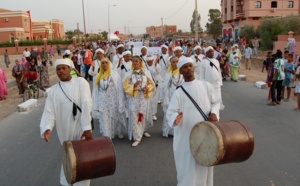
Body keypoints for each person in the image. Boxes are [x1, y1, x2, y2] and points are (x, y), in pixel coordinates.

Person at [166, 56, 220, 186]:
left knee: (204, 162)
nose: (189, 68)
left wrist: (214, 112)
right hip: (186, 137)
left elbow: (216, 102)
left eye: (190, 66)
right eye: (185, 67)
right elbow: (170, 113)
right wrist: (176, 118)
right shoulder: (179, 92)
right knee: (187, 166)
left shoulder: (206, 86)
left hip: (206, 134)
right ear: (181, 71)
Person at [40, 58, 92, 186]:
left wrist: (87, 128)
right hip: (64, 130)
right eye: (58, 69)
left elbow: (86, 105)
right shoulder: (53, 91)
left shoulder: (81, 83)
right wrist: (47, 127)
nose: (61, 71)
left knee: (82, 158)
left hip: (81, 129)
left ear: (70, 69)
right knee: (68, 157)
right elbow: (49, 111)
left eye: (64, 68)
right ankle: (67, 181)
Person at [123, 55, 155, 147]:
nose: (135, 63)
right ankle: (137, 137)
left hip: (143, 98)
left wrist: (147, 88)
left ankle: (142, 131)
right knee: (134, 115)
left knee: (142, 115)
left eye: (137, 61)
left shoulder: (146, 72)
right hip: (133, 98)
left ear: (140, 62)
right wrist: (134, 86)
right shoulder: (128, 74)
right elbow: (125, 86)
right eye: (133, 61)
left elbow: (151, 84)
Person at [92, 57, 126, 139]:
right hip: (102, 100)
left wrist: (121, 100)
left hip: (113, 100)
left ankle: (117, 132)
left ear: (109, 64)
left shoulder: (115, 74)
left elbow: (119, 88)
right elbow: (95, 91)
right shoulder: (98, 75)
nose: (104, 65)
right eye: (102, 63)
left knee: (115, 116)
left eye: (106, 63)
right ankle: (107, 135)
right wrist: (95, 103)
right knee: (105, 118)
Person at [161, 56, 183, 137]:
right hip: (170, 96)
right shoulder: (168, 74)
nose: (175, 63)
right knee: (170, 111)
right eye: (173, 62)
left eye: (177, 61)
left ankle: (177, 131)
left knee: (178, 112)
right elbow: (165, 87)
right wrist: (165, 98)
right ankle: (169, 130)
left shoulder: (182, 73)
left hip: (180, 96)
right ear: (171, 63)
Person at [199, 46, 224, 115]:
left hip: (217, 85)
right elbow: (201, 75)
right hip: (207, 85)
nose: (211, 52)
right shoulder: (203, 62)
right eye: (209, 51)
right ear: (206, 53)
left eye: (212, 51)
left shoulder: (216, 61)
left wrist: (220, 83)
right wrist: (202, 86)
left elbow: (219, 73)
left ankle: (216, 116)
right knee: (208, 102)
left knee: (217, 101)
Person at [145, 55, 160, 121]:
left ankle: (153, 114)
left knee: (154, 101)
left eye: (151, 61)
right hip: (147, 86)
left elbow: (158, 72)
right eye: (148, 62)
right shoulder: (144, 67)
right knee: (147, 101)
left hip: (155, 85)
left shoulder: (156, 65)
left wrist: (156, 64)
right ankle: (147, 114)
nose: (149, 63)